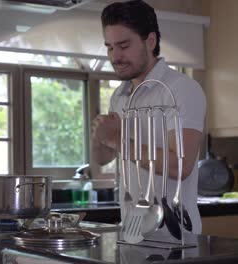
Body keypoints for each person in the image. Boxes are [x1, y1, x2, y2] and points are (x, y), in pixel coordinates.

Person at [92, 0, 206, 235]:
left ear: (150, 41)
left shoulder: (182, 89)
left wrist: (117, 139)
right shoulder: (120, 95)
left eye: (123, 45)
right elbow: (102, 159)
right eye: (110, 47)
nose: (115, 56)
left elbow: (180, 166)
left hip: (175, 237)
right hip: (132, 234)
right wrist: (100, 135)